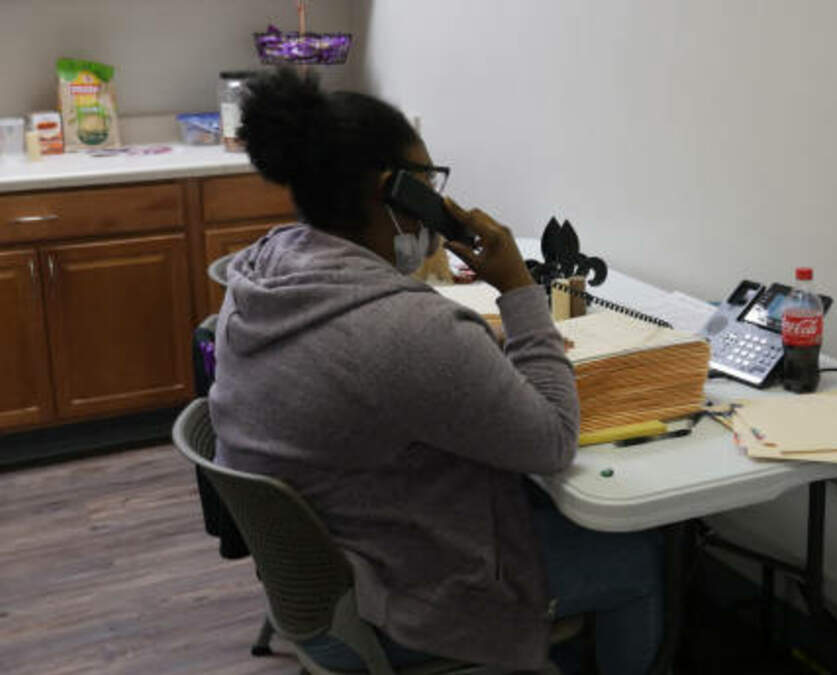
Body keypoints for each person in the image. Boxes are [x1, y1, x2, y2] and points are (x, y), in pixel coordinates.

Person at [207, 68, 663, 674]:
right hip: (401, 592)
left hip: (321, 577)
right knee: (638, 555)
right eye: (427, 181)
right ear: (392, 190)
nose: (439, 201)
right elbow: (553, 442)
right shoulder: (407, 329)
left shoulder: (263, 268)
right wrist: (518, 288)